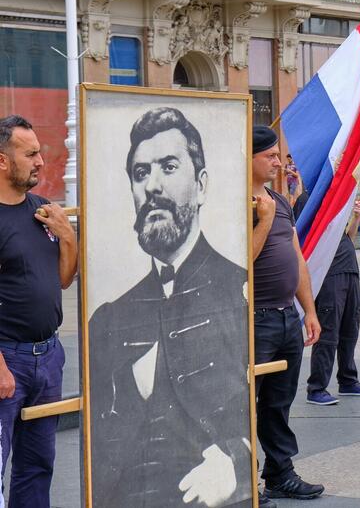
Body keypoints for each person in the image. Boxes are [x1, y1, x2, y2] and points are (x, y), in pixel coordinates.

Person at [89, 108, 252, 507]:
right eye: (141, 173)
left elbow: (262, 404)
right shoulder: (109, 318)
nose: (153, 186)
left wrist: (238, 464)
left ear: (201, 185)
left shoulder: (240, 290)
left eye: (168, 166)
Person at [0, 116, 77, 507]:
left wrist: (67, 236)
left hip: (47, 356)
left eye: (39, 153)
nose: (40, 162)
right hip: (6, 358)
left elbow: (64, 279)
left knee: (38, 463)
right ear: (2, 161)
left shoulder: (44, 210)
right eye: (30, 154)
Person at [250, 126, 324, 501]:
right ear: (249, 159)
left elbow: (296, 257)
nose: (279, 162)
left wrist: (308, 310)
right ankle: (243, 477)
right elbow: (239, 260)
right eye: (271, 156)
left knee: (279, 402)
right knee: (246, 403)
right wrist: (261, 220)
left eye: (278, 155)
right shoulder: (238, 203)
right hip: (255, 320)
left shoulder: (278, 200)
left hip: (285, 317)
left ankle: (279, 472)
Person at [304, 197, 360, 406]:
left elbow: (348, 236)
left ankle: (347, 380)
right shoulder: (313, 199)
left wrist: (355, 217)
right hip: (330, 274)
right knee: (328, 332)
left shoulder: (337, 199)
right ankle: (316, 387)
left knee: (350, 330)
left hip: (349, 270)